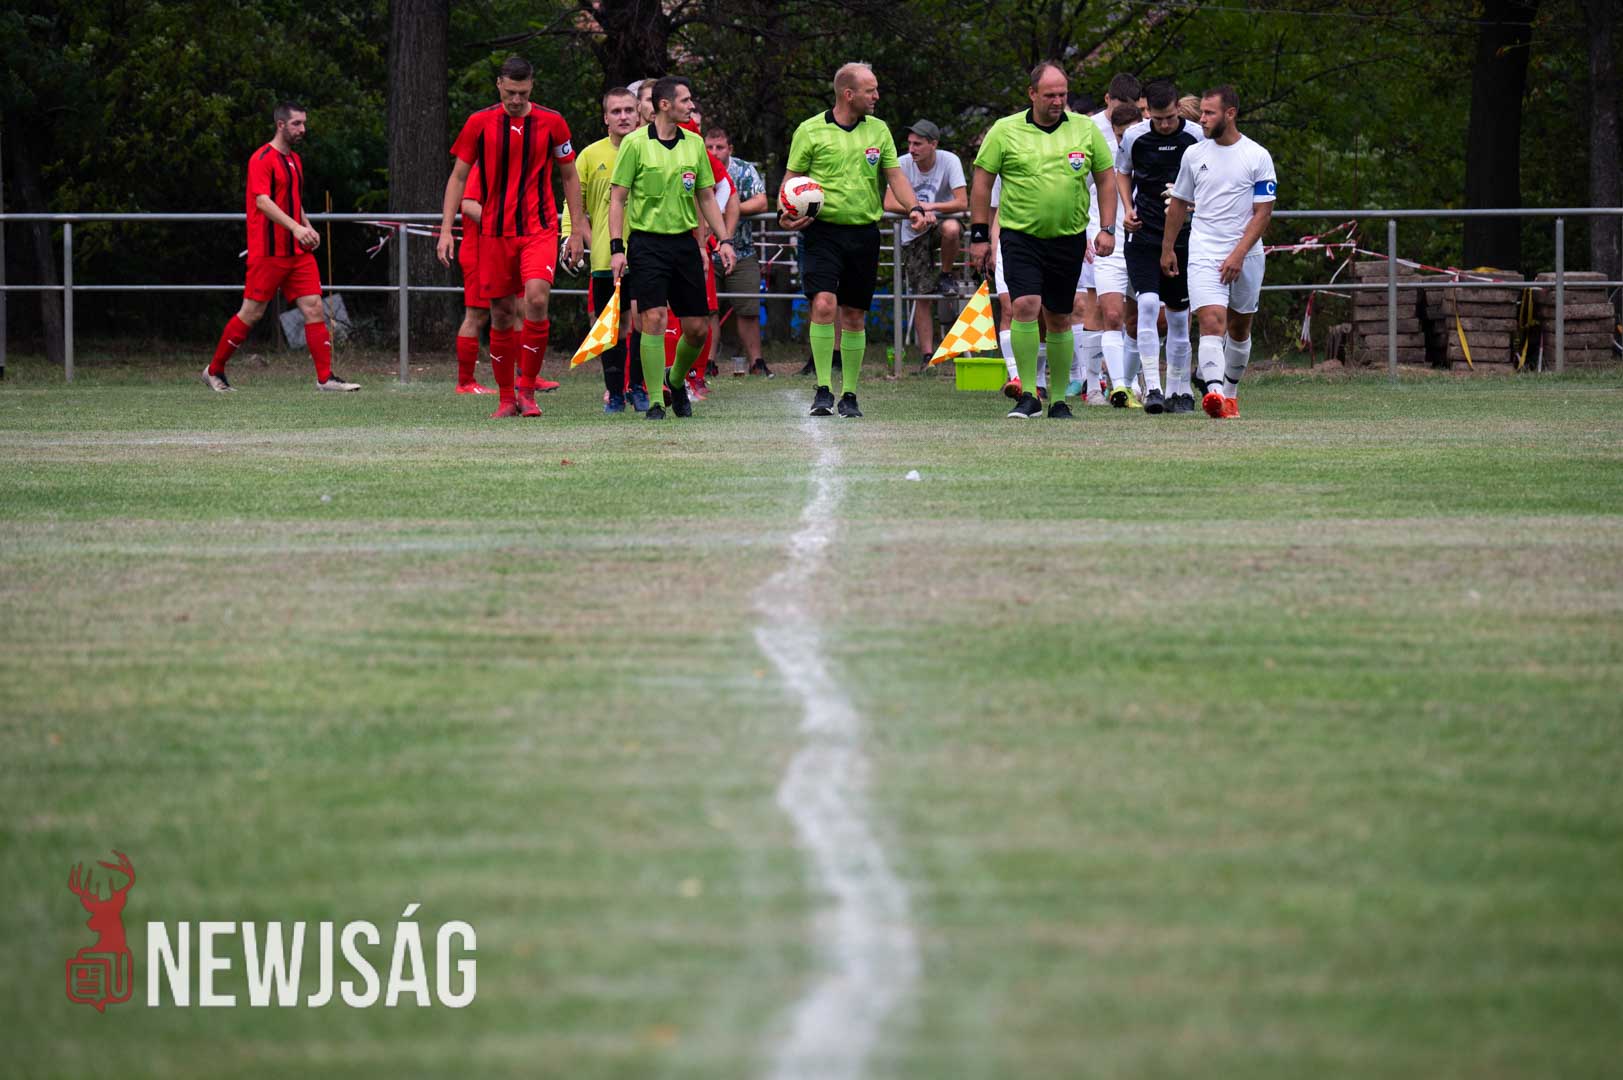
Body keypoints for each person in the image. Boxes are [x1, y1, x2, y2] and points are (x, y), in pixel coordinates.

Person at [437, 56, 586, 419]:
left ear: (531, 86)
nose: (516, 99)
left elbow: (569, 176)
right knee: (501, 314)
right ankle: (506, 398)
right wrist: (445, 230)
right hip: (494, 233)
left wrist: (576, 231)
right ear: (499, 85)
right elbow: (458, 177)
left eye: (523, 92)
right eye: (510, 92)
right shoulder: (479, 123)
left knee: (535, 299)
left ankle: (528, 390)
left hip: (539, 229)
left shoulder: (552, 122)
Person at [781, 63, 931, 417]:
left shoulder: (878, 130)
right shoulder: (810, 130)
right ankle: (822, 389)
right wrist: (783, 212)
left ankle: (849, 394)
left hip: (864, 233)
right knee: (823, 304)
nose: (877, 96)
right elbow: (791, 180)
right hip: (821, 231)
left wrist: (914, 207)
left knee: (854, 315)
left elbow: (895, 176)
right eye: (870, 90)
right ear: (848, 94)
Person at [970, 61, 1118, 419]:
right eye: (1050, 94)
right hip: (1020, 236)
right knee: (1024, 306)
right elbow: (982, 182)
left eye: (1062, 94)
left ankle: (1059, 400)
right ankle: (1028, 393)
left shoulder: (1085, 128)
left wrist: (1107, 228)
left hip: (1068, 237)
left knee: (1059, 317)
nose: (1057, 101)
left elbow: (1106, 178)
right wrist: (979, 235)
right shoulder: (1005, 130)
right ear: (1032, 94)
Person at [205, 102, 359, 393]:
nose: (303, 129)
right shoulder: (261, 158)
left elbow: (293, 201)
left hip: (297, 253)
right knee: (252, 312)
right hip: (268, 252)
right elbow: (263, 202)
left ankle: (325, 378)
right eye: (297, 124)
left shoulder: (295, 160)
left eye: (304, 123)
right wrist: (296, 228)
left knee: (315, 307)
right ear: (280, 125)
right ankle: (214, 370)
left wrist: (307, 226)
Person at [608, 76, 736, 420]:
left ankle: (675, 379)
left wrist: (724, 240)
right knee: (652, 318)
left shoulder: (694, 144)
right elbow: (617, 199)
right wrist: (617, 248)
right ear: (664, 105)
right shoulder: (635, 143)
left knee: (697, 328)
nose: (691, 106)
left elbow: (706, 196)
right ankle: (654, 401)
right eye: (685, 100)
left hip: (684, 244)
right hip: (646, 244)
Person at [1162, 84, 1276, 419]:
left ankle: (1231, 394)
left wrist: (1238, 254)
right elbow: (1178, 203)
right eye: (1202, 113)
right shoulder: (1193, 155)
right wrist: (1167, 248)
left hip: (1246, 254)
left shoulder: (1257, 155)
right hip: (1204, 250)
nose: (1202, 119)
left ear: (1230, 114)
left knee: (1239, 329)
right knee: (1211, 320)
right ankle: (1214, 394)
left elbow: (1263, 213)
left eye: (1209, 113)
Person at [1118, 78, 1203, 413]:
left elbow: (1207, 179)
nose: (1165, 125)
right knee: (1148, 304)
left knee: (1179, 318)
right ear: (1147, 112)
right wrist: (1127, 208)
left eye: (1169, 117)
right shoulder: (1135, 136)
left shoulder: (1196, 136)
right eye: (1158, 118)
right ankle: (1152, 387)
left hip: (1184, 236)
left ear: (1178, 108)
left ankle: (1179, 390)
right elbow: (1122, 172)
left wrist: (1194, 204)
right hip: (1144, 233)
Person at [561, 87, 646, 412]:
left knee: (643, 319)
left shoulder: (649, 149)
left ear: (638, 114)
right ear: (606, 118)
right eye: (616, 111)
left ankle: (638, 388)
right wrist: (573, 236)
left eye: (628, 110)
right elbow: (574, 204)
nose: (623, 116)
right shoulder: (589, 155)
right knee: (612, 327)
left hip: (646, 252)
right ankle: (615, 393)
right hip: (604, 256)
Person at [884, 119, 967, 361]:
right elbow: (888, 203)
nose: (912, 149)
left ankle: (946, 274)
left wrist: (930, 207)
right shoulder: (901, 163)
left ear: (934, 144)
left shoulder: (949, 160)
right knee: (922, 295)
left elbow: (962, 202)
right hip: (913, 231)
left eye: (918, 144)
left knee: (951, 227)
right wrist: (917, 211)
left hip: (939, 223)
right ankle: (928, 357)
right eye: (910, 143)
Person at [705, 126, 772, 376]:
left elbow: (762, 201)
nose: (714, 152)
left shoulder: (744, 169)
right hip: (705, 252)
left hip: (741, 251)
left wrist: (729, 206)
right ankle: (707, 363)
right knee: (707, 310)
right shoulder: (697, 167)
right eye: (709, 147)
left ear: (730, 149)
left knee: (748, 310)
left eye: (720, 147)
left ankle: (756, 362)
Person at [1094, 100, 1147, 408]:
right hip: (1110, 243)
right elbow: (1084, 195)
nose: (1124, 140)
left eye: (1130, 133)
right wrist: (1092, 232)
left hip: (1143, 245)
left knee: (1139, 320)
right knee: (1112, 315)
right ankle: (1119, 388)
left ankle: (1131, 381)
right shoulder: (1102, 156)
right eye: (1119, 135)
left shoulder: (1153, 154)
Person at [451, 162, 492, 394]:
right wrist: (502, 224)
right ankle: (465, 382)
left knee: (515, 310)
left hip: (493, 250)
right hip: (478, 251)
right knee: (476, 315)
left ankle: (526, 377)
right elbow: (468, 206)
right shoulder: (481, 165)